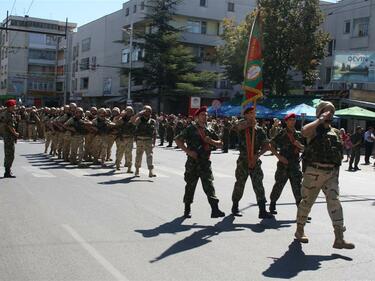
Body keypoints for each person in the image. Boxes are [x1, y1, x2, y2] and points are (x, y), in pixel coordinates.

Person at [295, 101, 354, 249]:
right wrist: (320, 120)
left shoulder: (335, 132)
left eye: (331, 112)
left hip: (331, 173)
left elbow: (338, 155)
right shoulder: (314, 129)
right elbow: (304, 132)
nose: (329, 115)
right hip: (314, 172)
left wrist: (337, 175)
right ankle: (299, 230)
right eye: (326, 112)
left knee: (335, 203)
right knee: (307, 202)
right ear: (319, 112)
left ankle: (339, 238)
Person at [175, 106, 225, 219]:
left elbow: (221, 143)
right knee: (190, 186)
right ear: (197, 117)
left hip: (205, 163)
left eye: (206, 115)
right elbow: (178, 140)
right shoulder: (191, 129)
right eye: (202, 115)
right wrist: (188, 151)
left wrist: (211, 141)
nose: (205, 117)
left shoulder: (210, 130)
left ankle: (215, 209)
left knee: (209, 185)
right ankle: (187, 209)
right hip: (193, 162)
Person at [231, 106, 274, 219]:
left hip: (255, 160)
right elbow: (235, 127)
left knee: (258, 185)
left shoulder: (259, 130)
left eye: (253, 113)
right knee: (240, 184)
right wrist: (248, 124)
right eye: (249, 113)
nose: (252, 115)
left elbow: (267, 146)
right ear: (245, 115)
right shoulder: (241, 126)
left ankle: (262, 210)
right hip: (243, 161)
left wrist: (257, 155)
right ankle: (235, 206)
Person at [269, 113, 304, 215]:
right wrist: (279, 157)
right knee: (279, 185)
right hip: (283, 165)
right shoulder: (282, 133)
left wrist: (300, 146)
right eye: (290, 120)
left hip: (295, 165)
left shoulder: (298, 134)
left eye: (294, 120)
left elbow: (305, 148)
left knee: (298, 187)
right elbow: (271, 145)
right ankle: (272, 204)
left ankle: (301, 211)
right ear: (286, 121)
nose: (292, 122)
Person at [131, 105, 157, 177]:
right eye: (146, 111)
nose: (147, 112)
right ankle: (137, 170)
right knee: (139, 155)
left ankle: (151, 171)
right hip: (140, 140)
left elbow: (154, 132)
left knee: (150, 156)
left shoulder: (152, 121)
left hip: (148, 140)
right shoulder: (139, 119)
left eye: (149, 111)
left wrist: (154, 142)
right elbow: (132, 121)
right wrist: (139, 114)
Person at [115, 106, 135, 172]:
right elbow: (117, 122)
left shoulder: (134, 118)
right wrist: (121, 116)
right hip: (122, 137)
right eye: (127, 111)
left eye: (130, 111)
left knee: (129, 153)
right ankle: (117, 164)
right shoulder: (122, 118)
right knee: (120, 152)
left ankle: (129, 167)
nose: (129, 113)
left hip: (130, 138)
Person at [3, 99, 19, 178]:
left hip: (8, 136)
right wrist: (15, 133)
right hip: (9, 136)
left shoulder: (9, 113)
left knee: (9, 154)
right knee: (10, 154)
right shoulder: (9, 114)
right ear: (10, 106)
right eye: (14, 105)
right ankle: (7, 172)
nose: (15, 107)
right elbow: (10, 126)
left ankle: (7, 170)